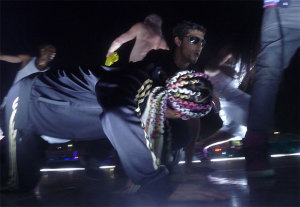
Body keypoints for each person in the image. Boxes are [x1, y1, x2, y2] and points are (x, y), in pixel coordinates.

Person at [1, 21, 228, 202]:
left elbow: (157, 132)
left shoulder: (160, 105)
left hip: (67, 117)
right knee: (18, 186)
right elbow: (117, 115)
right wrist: (160, 186)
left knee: (176, 132)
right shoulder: (137, 79)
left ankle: (114, 165)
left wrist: (163, 173)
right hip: (26, 102)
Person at [243, 0, 300, 177]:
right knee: (269, 71)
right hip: (285, 6)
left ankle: (255, 148)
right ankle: (256, 146)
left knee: (269, 71)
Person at [187, 45, 253, 170]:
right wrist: (221, 67)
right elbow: (210, 69)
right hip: (226, 93)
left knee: (235, 128)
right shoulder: (232, 51)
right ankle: (257, 155)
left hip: (227, 95)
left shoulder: (249, 58)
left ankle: (200, 146)